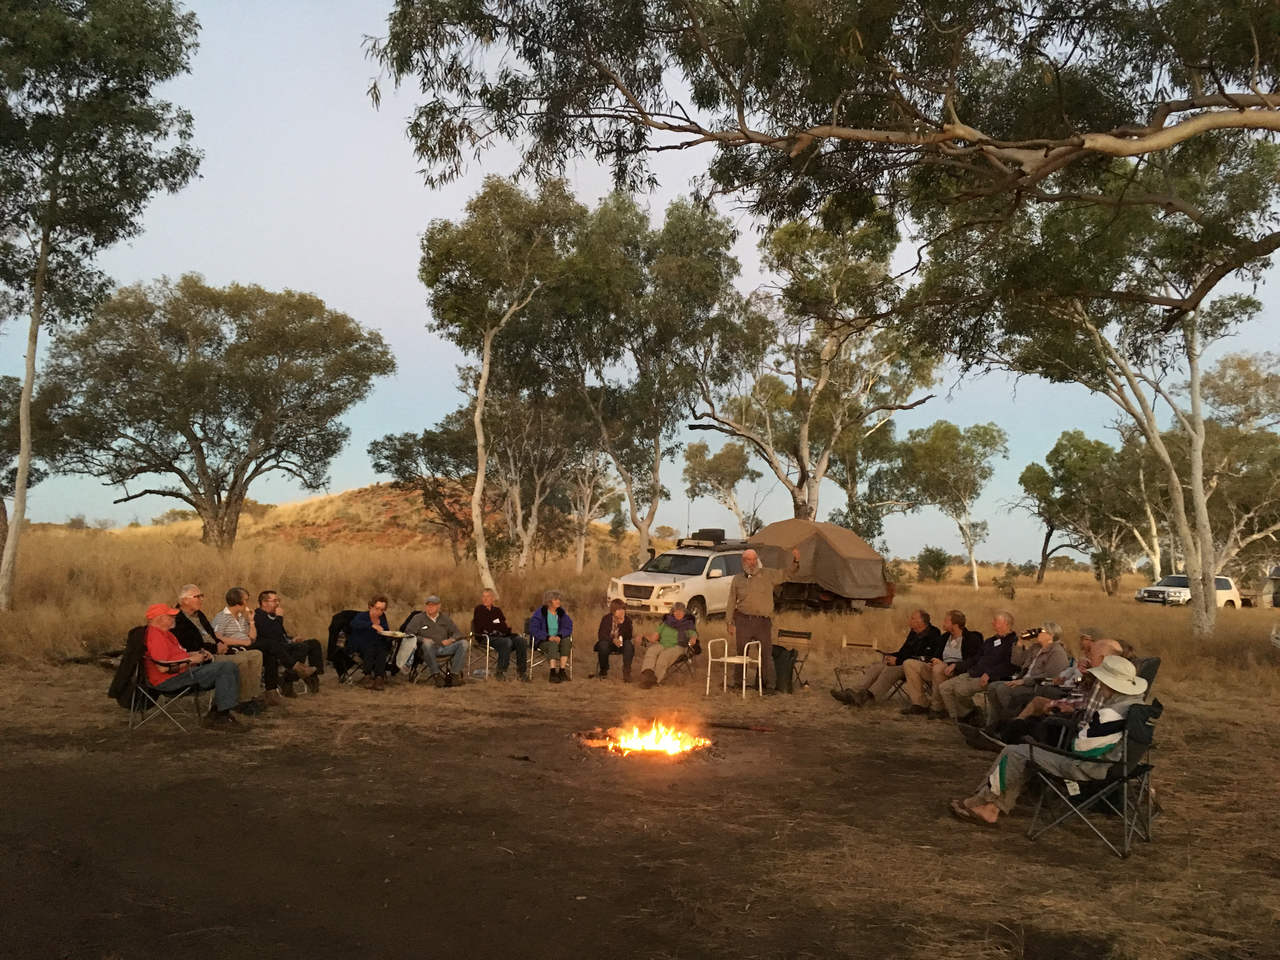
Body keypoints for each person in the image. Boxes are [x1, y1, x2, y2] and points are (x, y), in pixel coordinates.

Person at [948, 655, 1149, 827]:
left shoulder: (1111, 713)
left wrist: (1080, 732)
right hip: (1113, 765)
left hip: (1088, 767)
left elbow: (1082, 747)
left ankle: (984, 803)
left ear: (1108, 683)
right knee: (1023, 754)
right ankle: (989, 806)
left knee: (1015, 752)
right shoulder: (1134, 704)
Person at [142, 602, 242, 729]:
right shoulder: (155, 637)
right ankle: (220, 716)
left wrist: (195, 654)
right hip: (169, 681)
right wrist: (191, 660)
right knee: (225, 668)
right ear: (160, 618)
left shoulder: (166, 633)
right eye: (170, 616)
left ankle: (218, 713)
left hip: (183, 673)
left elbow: (175, 655)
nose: (174, 619)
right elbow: (163, 668)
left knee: (229, 667)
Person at [172, 583, 265, 714]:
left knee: (256, 654)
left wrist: (220, 643)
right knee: (242, 660)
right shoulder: (178, 619)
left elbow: (212, 634)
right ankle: (242, 701)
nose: (201, 599)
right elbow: (190, 645)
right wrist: (216, 647)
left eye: (201, 596)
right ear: (185, 600)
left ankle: (251, 697)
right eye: (197, 596)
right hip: (203, 656)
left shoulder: (199, 615)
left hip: (217, 649)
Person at [833, 609, 942, 709]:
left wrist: (898, 661)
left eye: (912, 618)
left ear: (920, 622)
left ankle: (867, 697)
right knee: (877, 666)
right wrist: (891, 655)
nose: (910, 620)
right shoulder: (913, 632)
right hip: (903, 662)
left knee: (890, 670)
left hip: (915, 667)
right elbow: (903, 651)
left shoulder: (934, 634)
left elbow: (925, 657)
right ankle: (854, 692)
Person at [726, 547, 800, 694]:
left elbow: (786, 574)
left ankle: (768, 685)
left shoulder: (767, 574)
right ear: (743, 561)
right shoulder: (737, 579)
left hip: (763, 622)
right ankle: (739, 683)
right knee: (741, 654)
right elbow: (731, 601)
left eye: (754, 559)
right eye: (748, 560)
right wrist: (729, 622)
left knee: (766, 653)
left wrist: (796, 561)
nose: (752, 563)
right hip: (743, 620)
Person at [979, 620, 1071, 730]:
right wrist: (1019, 643)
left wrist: (1024, 681)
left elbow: (1050, 676)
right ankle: (994, 724)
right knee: (992, 687)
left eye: (1041, 631)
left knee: (1002, 689)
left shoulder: (1057, 652)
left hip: (1036, 686)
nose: (1038, 634)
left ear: (1050, 635)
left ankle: (1012, 725)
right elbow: (1017, 661)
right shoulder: (1036, 648)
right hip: (1023, 680)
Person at [211, 586, 287, 706]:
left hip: (247, 646)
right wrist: (243, 642)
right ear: (239, 601)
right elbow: (216, 637)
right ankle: (294, 667)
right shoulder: (222, 617)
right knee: (269, 644)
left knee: (270, 656)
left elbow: (252, 637)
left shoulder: (241, 618)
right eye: (246, 599)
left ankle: (266, 693)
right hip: (235, 649)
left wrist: (251, 622)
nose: (247, 602)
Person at [937, 610, 1018, 722]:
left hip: (991, 677)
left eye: (996, 621)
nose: (992, 623)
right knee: (944, 688)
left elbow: (1010, 665)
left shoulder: (1013, 642)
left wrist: (990, 674)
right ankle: (960, 716)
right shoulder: (990, 641)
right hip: (974, 672)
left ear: (1006, 624)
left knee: (960, 690)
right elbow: (975, 658)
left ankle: (967, 716)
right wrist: (956, 665)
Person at [902, 609, 983, 719]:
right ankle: (920, 703)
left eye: (946, 621)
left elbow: (973, 660)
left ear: (955, 624)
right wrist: (932, 661)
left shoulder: (971, 638)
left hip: (956, 671)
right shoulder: (945, 637)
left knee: (938, 668)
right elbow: (936, 655)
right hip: (938, 669)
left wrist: (948, 664)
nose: (943, 623)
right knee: (909, 663)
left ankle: (937, 708)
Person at [253, 590, 323, 697]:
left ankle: (313, 676)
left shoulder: (272, 615)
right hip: (274, 648)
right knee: (301, 647)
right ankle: (289, 679)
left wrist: (291, 639)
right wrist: (279, 617)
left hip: (283, 643)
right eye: (275, 601)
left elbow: (280, 634)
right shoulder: (259, 615)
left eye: (278, 600)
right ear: (264, 603)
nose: (278, 604)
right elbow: (271, 635)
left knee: (314, 643)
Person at [403, 595, 469, 686]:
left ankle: (454, 675)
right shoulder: (418, 618)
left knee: (464, 643)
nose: (430, 607)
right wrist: (423, 639)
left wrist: (451, 640)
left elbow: (457, 633)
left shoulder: (445, 619)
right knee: (427, 644)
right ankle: (436, 675)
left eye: (433, 605)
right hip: (426, 650)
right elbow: (408, 634)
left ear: (439, 606)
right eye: (428, 605)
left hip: (445, 647)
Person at [471, 588, 528, 681]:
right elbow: (482, 626)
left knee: (521, 640)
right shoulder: (479, 609)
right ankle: (500, 672)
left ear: (493, 598)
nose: (485, 599)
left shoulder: (497, 610)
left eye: (488, 596)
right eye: (483, 597)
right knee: (506, 642)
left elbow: (504, 627)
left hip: (501, 636)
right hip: (485, 637)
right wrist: (495, 625)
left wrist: (493, 625)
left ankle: (522, 672)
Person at [637, 601, 698, 688]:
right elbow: (654, 637)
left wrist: (692, 640)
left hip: (679, 646)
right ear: (672, 612)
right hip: (663, 644)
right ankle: (648, 674)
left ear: (684, 612)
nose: (678, 613)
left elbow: (693, 636)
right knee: (652, 650)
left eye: (681, 611)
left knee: (664, 656)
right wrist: (643, 636)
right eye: (676, 611)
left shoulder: (688, 624)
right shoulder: (666, 623)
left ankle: (655, 680)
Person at [348, 595, 392, 691]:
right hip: (360, 644)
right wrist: (371, 625)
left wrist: (385, 632)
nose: (379, 612)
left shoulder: (382, 617)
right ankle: (367, 675)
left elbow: (386, 630)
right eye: (377, 608)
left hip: (377, 644)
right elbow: (353, 623)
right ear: (371, 606)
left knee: (382, 649)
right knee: (371, 647)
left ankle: (379, 677)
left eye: (382, 609)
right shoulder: (362, 616)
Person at [529, 590, 573, 683]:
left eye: (559, 599)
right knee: (552, 644)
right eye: (555, 599)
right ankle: (552, 673)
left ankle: (562, 671)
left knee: (566, 641)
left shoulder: (561, 613)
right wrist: (548, 637)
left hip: (558, 639)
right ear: (549, 601)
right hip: (544, 641)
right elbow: (534, 629)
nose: (558, 601)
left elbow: (568, 626)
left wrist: (560, 635)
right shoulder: (540, 613)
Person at [593, 599, 635, 681]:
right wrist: (612, 640)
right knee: (603, 645)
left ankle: (627, 673)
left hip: (621, 643)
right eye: (619, 609)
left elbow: (629, 636)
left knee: (629, 645)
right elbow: (602, 635)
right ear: (613, 611)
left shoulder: (627, 620)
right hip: (609, 643)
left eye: (623, 609)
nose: (622, 612)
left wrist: (622, 625)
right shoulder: (606, 619)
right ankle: (603, 670)